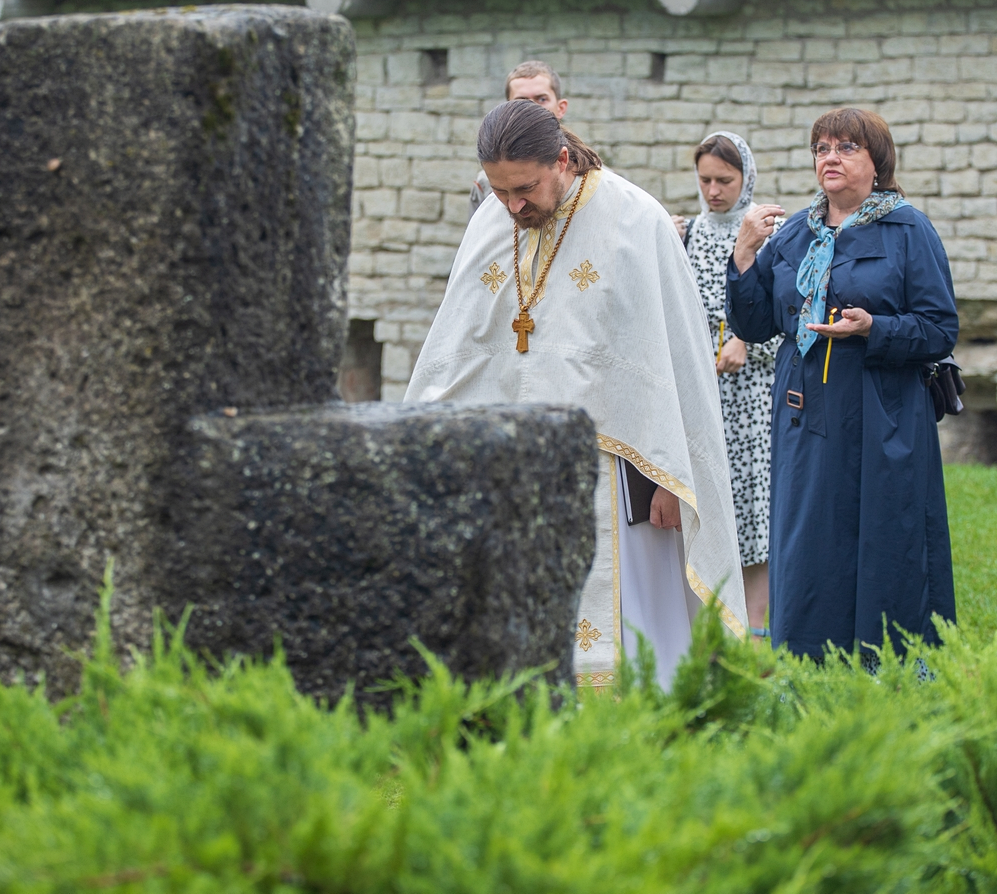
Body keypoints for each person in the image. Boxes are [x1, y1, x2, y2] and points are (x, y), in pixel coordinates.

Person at [408, 99, 748, 690]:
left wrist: (674, 474)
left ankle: (642, 716)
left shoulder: (634, 219)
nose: (513, 206)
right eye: (500, 190)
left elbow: (674, 359)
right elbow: (456, 346)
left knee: (630, 623)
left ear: (562, 161)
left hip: (617, 467)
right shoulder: (493, 220)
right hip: (514, 465)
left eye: (525, 189)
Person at [726, 107, 958, 664]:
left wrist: (873, 326)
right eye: (822, 148)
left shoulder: (908, 230)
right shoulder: (794, 234)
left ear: (876, 163)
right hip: (806, 410)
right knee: (808, 536)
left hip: (881, 408)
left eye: (846, 148)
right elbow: (754, 324)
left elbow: (939, 326)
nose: (830, 158)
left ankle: (890, 661)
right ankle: (809, 659)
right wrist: (744, 253)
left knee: (884, 533)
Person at [680, 132, 781, 637]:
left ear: (746, 179)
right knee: (707, 501)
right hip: (702, 392)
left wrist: (748, 342)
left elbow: (790, 315)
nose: (714, 190)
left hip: (753, 398)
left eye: (725, 180)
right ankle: (707, 620)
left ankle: (758, 626)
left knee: (752, 507)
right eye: (705, 180)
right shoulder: (687, 233)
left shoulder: (767, 231)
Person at [468, 61, 569, 222]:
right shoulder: (485, 184)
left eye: (541, 99)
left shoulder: (598, 181)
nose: (531, 109)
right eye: (521, 101)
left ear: (561, 107)